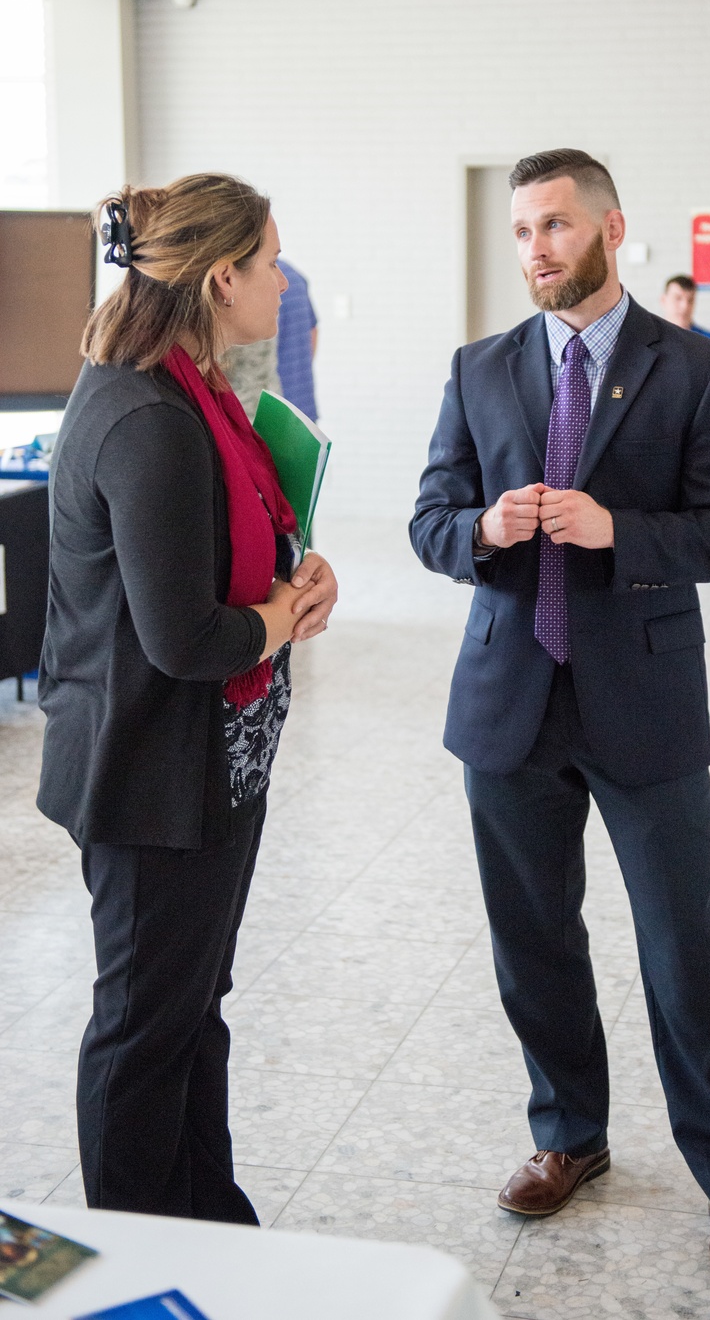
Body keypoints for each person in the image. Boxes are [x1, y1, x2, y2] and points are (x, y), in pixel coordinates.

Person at [411, 148, 710, 1279]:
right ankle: (566, 1134)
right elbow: (430, 519)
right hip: (507, 703)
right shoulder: (479, 367)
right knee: (534, 940)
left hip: (644, 704)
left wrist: (619, 531)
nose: (536, 250)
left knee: (683, 947)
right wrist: (485, 528)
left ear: (611, 227)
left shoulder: (697, 370)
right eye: (522, 231)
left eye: (557, 226)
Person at [36, 174, 338, 1223]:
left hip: (207, 765)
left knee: (191, 1009)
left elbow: (234, 547)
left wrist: (299, 577)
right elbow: (187, 637)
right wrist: (279, 617)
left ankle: (208, 1219)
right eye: (270, 260)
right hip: (148, 775)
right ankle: (131, 1246)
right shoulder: (149, 417)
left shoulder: (194, 392)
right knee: (142, 1022)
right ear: (222, 278)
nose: (283, 278)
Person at [276, 258, 320, 422]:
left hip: (271, 415)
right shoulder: (294, 276)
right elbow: (313, 332)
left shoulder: (254, 282)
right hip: (303, 407)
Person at [660, 273, 710, 344]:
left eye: (690, 300)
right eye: (677, 298)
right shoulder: (649, 342)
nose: (685, 306)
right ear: (663, 300)